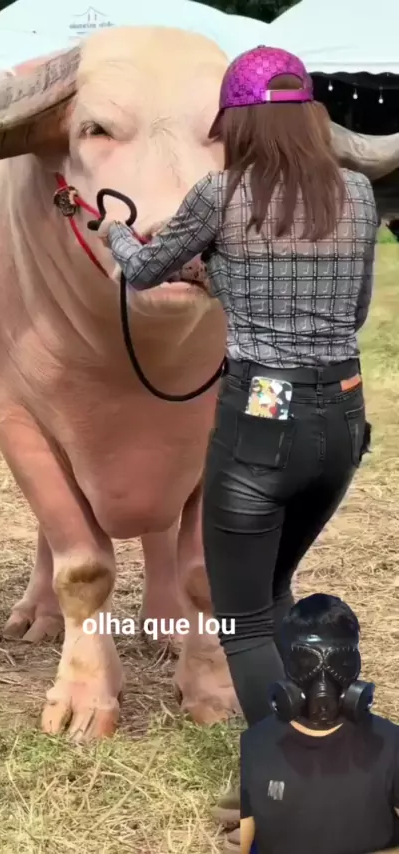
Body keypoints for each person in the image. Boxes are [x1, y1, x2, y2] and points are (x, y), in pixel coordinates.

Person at [97, 43, 378, 805]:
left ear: (237, 124)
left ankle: (301, 781)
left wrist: (111, 228)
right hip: (342, 414)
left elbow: (143, 269)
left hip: (264, 416)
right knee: (275, 588)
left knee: (243, 617)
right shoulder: (356, 194)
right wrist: (228, 277)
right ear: (313, 117)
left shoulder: (220, 194)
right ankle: (328, 752)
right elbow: (349, 312)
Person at [233, 593, 399, 854]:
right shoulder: (255, 745)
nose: (323, 681)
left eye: (340, 663)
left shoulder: (391, 744)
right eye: (305, 663)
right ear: (287, 664)